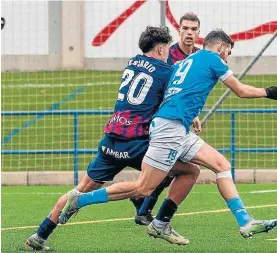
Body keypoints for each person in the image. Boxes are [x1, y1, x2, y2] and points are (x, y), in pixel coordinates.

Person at [59, 29, 277, 245]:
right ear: (221, 46)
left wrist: (191, 114)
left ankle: (242, 222)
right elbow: (240, 90)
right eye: (229, 52)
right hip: (170, 129)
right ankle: (81, 199)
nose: (228, 57)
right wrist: (268, 92)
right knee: (143, 188)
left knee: (217, 165)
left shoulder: (186, 61)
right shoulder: (213, 58)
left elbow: (177, 92)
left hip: (177, 127)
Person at [25, 26, 200, 251]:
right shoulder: (165, 72)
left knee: (79, 189)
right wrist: (192, 114)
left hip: (112, 139)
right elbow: (174, 100)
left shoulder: (132, 62)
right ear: (159, 48)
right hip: (137, 143)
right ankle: (154, 215)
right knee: (187, 171)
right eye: (166, 48)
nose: (168, 53)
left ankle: (40, 235)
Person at [134, 12, 201, 226]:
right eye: (185, 28)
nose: (189, 32)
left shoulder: (198, 56)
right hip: (161, 118)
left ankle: (143, 206)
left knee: (174, 167)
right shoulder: (169, 56)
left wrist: (194, 114)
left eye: (193, 29)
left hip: (179, 119)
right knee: (172, 166)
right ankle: (142, 204)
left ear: (199, 33)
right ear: (179, 30)